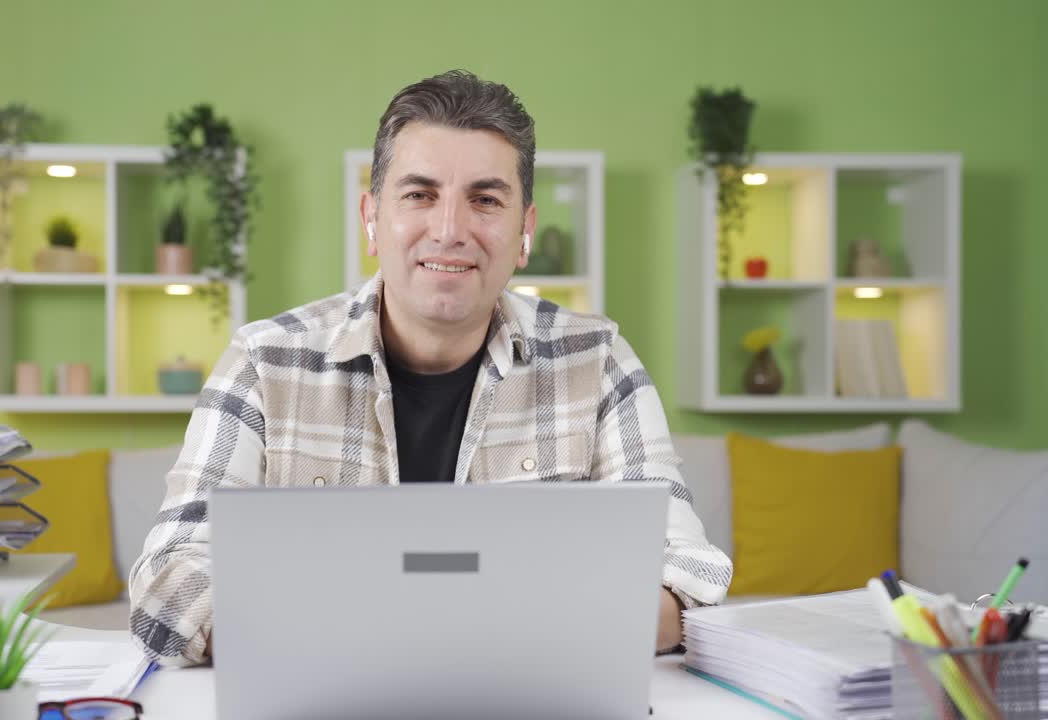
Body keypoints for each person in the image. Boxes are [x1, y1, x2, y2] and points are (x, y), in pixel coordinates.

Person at [129, 69, 732, 667]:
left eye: (485, 200)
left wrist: (402, 629)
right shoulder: (264, 362)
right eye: (419, 195)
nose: (449, 230)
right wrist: (435, 632)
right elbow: (169, 579)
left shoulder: (599, 362)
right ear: (371, 218)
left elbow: (685, 579)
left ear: (525, 232)